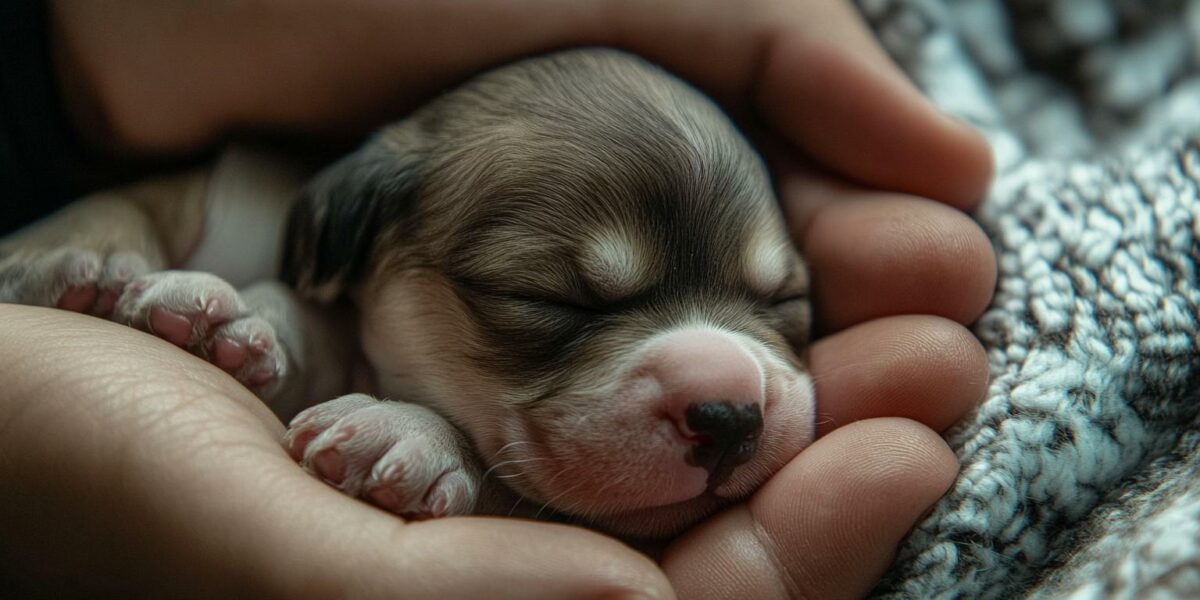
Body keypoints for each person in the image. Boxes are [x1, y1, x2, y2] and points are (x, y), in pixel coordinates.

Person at [0, 0, 996, 597]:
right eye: (556, 307)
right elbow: (84, 243)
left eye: (775, 302)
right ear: (349, 240)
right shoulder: (276, 204)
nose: (730, 390)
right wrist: (93, 258)